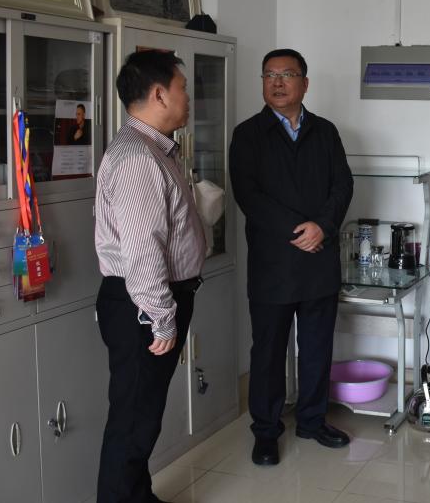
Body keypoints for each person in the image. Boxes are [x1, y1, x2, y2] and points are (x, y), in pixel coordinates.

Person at [230, 48, 354, 465]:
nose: (277, 82)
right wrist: (298, 230)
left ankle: (312, 420)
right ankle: (266, 431)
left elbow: (343, 185)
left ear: (305, 82)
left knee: (317, 347)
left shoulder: (325, 131)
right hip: (273, 264)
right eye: (269, 75)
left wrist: (323, 226)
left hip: (319, 260)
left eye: (286, 74)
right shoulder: (248, 134)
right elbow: (249, 195)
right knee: (267, 352)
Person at [94, 50, 206, 503]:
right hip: (143, 305)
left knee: (143, 416)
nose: (188, 98)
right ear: (159, 94)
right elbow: (143, 252)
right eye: (183, 88)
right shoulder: (139, 157)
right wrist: (161, 318)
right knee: (134, 423)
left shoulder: (152, 149)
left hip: (147, 300)